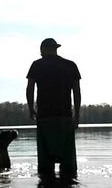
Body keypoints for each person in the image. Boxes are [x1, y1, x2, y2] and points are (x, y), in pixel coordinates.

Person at [26, 38, 81, 177]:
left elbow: (30, 88)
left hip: (44, 116)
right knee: (69, 165)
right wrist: (77, 115)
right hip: (65, 117)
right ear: (56, 48)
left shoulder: (37, 65)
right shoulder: (70, 65)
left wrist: (31, 108)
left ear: (43, 49)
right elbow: (77, 91)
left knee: (45, 166)